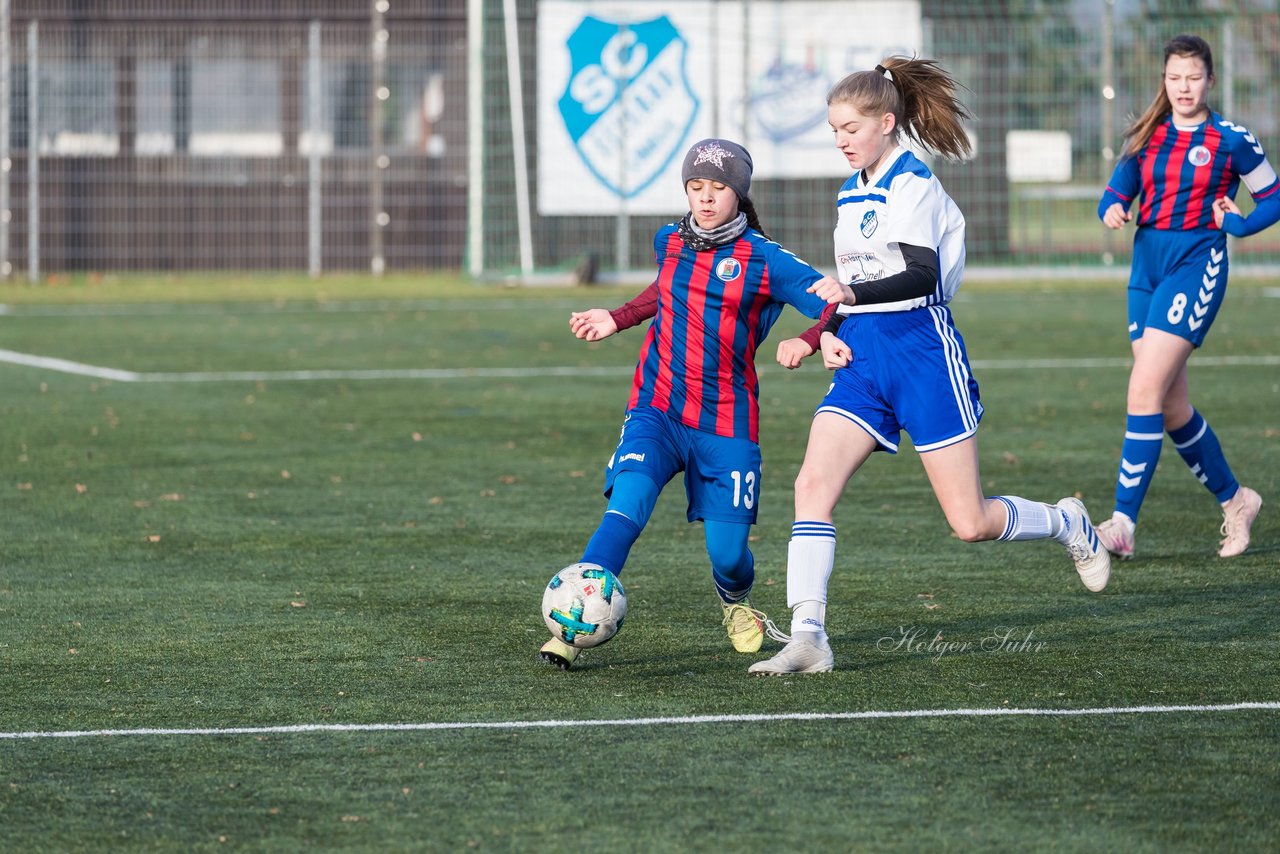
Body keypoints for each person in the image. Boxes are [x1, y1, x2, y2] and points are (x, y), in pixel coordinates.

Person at [748, 57, 1112, 676]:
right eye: (833, 129)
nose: (840, 139)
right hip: (865, 356)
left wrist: (847, 300)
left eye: (851, 128)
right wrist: (816, 336)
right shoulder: (851, 190)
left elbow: (919, 275)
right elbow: (856, 285)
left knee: (969, 522)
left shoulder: (912, 182)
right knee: (811, 487)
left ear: (886, 123)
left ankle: (1065, 521)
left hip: (923, 352)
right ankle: (809, 636)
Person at [538, 138, 849, 670]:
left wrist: (815, 335)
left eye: (719, 188)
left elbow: (833, 298)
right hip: (656, 408)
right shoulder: (670, 240)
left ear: (739, 194)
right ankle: (571, 626)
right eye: (696, 186)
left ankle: (733, 601)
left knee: (729, 556)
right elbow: (665, 289)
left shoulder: (765, 259)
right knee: (626, 507)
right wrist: (618, 317)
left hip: (726, 422)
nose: (705, 198)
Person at [1093, 34, 1272, 561]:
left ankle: (1122, 524)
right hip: (1145, 271)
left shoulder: (1230, 139)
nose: (1183, 87)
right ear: (1164, 81)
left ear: (1210, 81)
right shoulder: (1148, 135)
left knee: (1143, 391)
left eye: (1193, 77)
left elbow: (1273, 197)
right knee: (1170, 405)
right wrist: (1111, 208)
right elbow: (1115, 190)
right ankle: (1237, 501)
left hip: (1196, 268)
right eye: (1175, 78)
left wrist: (1239, 226)